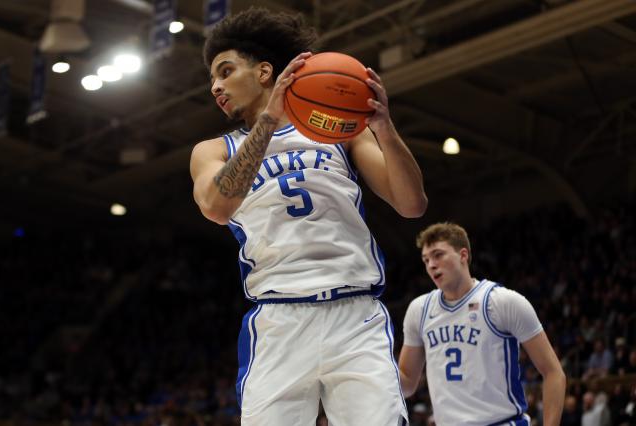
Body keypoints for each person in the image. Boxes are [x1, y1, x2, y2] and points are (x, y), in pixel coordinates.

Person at [190, 7, 427, 425]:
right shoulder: (214, 150)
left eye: (225, 71)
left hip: (354, 314)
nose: (216, 87)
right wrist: (268, 120)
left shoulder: (340, 132)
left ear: (265, 72)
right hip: (279, 318)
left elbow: (412, 204)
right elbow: (216, 206)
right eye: (213, 79)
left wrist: (385, 128)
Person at [398, 223, 565, 426]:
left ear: (463, 255)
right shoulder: (419, 310)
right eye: (426, 260)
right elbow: (407, 384)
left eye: (438, 255)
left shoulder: (502, 302)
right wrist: (375, 364)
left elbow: (553, 372)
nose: (431, 265)